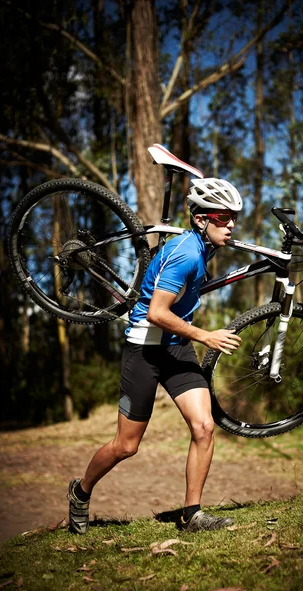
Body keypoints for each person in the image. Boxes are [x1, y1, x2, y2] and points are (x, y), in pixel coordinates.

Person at [68, 177, 243, 533]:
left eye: (234, 217)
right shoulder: (187, 253)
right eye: (224, 218)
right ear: (201, 220)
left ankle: (192, 514)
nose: (232, 225)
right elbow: (157, 313)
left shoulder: (205, 245)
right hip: (145, 349)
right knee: (126, 446)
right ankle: (80, 492)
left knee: (204, 427)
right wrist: (205, 335)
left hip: (176, 348)